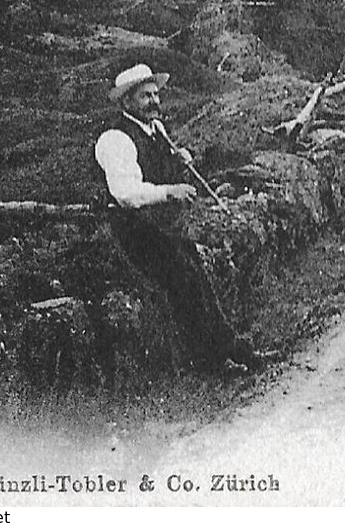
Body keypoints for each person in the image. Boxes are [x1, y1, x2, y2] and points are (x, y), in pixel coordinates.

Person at [93, 63, 265, 373]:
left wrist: (179, 158)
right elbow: (125, 193)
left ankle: (229, 348)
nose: (155, 101)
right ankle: (213, 359)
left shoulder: (155, 129)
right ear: (126, 102)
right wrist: (170, 190)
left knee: (194, 269)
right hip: (128, 230)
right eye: (145, 96)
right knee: (184, 277)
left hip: (156, 225)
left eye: (156, 94)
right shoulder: (115, 140)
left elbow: (159, 168)